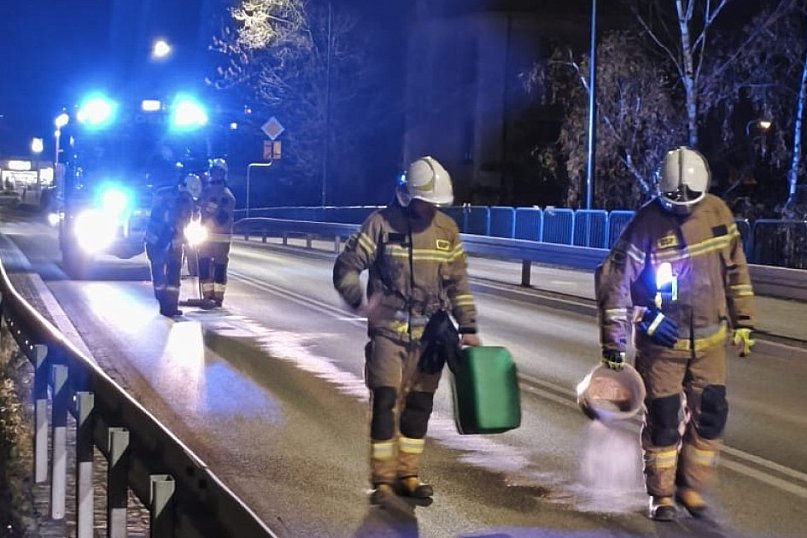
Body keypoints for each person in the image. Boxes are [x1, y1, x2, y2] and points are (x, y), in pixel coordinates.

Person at [594, 146, 756, 521]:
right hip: (661, 346)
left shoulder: (717, 213)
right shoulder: (647, 223)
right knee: (664, 420)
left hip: (710, 343)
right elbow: (615, 281)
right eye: (674, 200)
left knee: (712, 415)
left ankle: (690, 486)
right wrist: (616, 340)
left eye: (689, 200)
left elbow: (736, 270)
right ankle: (662, 495)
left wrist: (745, 321)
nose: (682, 206)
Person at [333, 156, 481, 505]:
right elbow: (346, 266)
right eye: (426, 204)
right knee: (385, 402)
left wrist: (468, 325)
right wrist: (358, 301)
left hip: (430, 339)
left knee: (419, 407)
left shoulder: (447, 231)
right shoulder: (381, 225)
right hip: (388, 333)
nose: (431, 210)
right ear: (408, 196)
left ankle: (408, 475)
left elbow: (458, 283)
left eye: (436, 205)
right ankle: (382, 481)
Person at [145, 174, 197, 317]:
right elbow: (177, 223)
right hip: (160, 242)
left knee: (168, 273)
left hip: (163, 242)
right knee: (165, 274)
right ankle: (166, 304)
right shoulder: (180, 202)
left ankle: (168, 305)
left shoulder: (169, 198)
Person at [198, 158, 236, 307]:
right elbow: (201, 209)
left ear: (223, 174)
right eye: (213, 171)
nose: (214, 174)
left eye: (217, 172)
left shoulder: (226, 195)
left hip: (221, 237)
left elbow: (223, 215)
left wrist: (210, 208)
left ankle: (218, 297)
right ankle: (207, 295)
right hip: (206, 236)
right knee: (204, 264)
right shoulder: (206, 191)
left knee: (219, 266)